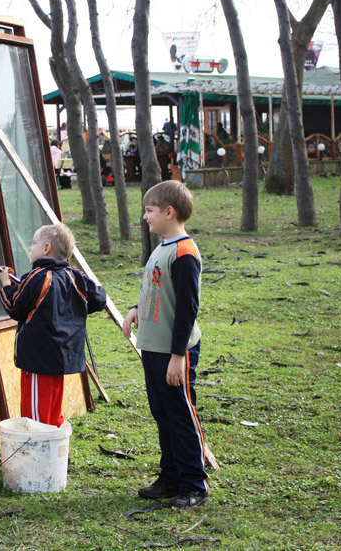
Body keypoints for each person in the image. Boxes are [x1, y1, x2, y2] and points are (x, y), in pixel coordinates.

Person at [122, 180, 209, 509]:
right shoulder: (162, 248)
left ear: (169, 212)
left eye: (149, 210)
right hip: (153, 348)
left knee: (181, 415)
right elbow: (156, 289)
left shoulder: (184, 253)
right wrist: (135, 308)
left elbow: (187, 309)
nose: (145, 217)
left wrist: (177, 356)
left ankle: (194, 485)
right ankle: (170, 477)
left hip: (175, 352)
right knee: (163, 413)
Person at [0, 224, 107, 428]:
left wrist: (5, 284)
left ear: (46, 248)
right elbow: (99, 298)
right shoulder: (75, 276)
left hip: (38, 361)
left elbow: (15, 307)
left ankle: (40, 448)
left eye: (34, 243)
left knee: (35, 419)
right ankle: (57, 447)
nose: (30, 248)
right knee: (53, 413)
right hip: (61, 359)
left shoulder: (37, 276)